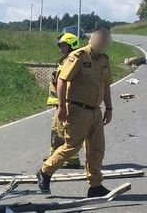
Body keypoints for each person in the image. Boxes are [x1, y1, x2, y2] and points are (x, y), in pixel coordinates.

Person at [37, 27, 114, 198]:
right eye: (100, 41)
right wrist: (63, 107)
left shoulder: (104, 60)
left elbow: (106, 85)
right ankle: (45, 171)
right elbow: (62, 81)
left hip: (95, 111)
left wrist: (109, 108)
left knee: (97, 149)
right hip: (77, 110)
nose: (102, 45)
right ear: (92, 40)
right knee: (71, 146)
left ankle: (95, 185)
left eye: (105, 42)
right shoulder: (78, 56)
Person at [47, 33, 82, 168]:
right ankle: (56, 155)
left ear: (72, 45)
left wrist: (63, 104)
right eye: (60, 45)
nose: (61, 48)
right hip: (60, 102)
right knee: (57, 129)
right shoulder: (65, 60)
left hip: (66, 103)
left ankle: (71, 159)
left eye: (64, 45)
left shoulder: (72, 61)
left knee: (64, 130)